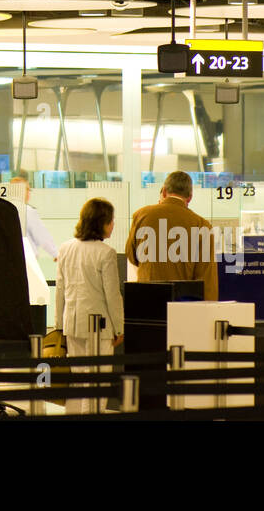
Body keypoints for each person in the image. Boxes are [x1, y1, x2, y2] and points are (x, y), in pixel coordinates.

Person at [56, 197, 125, 415]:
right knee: (97, 381)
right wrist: (120, 327)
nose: (113, 225)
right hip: (99, 327)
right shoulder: (106, 253)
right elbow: (112, 295)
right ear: (101, 222)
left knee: (79, 380)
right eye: (111, 221)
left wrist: (59, 325)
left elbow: (60, 290)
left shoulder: (66, 248)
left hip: (72, 323)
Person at [124, 170, 218, 301]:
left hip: (147, 297)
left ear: (163, 192)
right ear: (190, 197)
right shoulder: (202, 225)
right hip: (182, 302)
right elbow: (206, 277)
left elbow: (132, 256)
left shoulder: (141, 215)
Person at [12, 170, 59, 260]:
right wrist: (56, 254)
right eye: (28, 190)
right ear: (21, 191)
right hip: (27, 260)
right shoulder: (27, 211)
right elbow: (42, 236)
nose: (29, 193)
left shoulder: (2, 211)